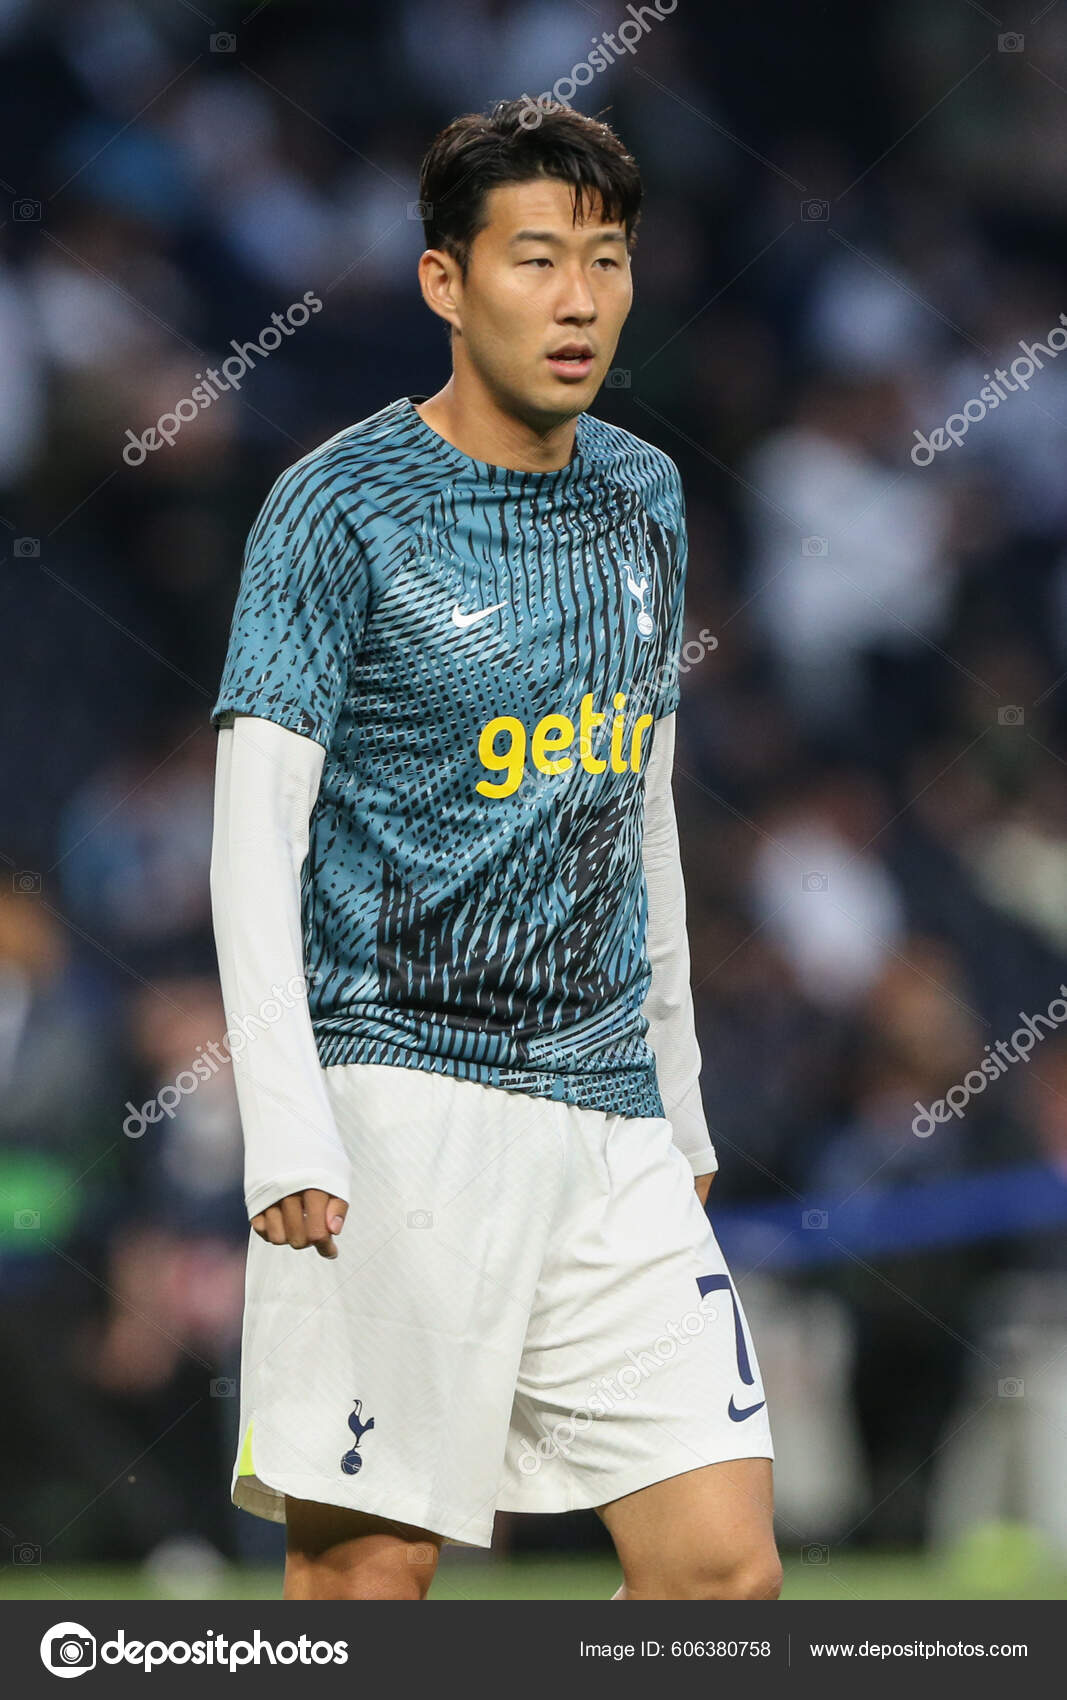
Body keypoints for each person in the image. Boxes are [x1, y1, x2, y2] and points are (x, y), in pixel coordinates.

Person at [209, 97, 779, 1602]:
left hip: (606, 1114)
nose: (581, 297)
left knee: (725, 1576)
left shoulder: (645, 497)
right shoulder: (337, 506)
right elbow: (252, 829)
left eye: (607, 258)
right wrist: (287, 1121)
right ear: (444, 282)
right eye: (537, 258)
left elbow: (634, 801)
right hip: (395, 1096)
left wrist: (682, 1096)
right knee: (371, 1578)